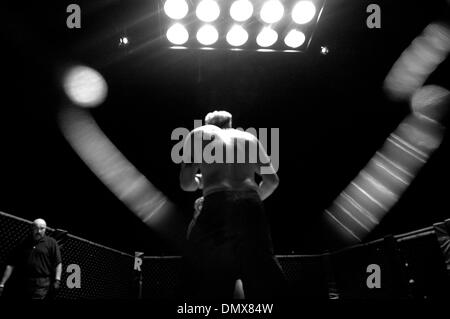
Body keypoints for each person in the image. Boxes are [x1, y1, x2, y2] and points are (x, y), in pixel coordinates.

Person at [180, 110, 285, 299]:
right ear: (230, 124)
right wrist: (247, 201)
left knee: (208, 274)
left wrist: (202, 181)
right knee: (264, 274)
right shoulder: (249, 138)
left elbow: (186, 184)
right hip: (251, 203)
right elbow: (272, 181)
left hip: (216, 201)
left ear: (207, 123)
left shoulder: (199, 134)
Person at [0, 218, 62, 299]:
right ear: (32, 228)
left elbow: (58, 263)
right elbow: (11, 264)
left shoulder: (51, 242)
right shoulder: (23, 242)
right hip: (23, 282)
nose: (39, 231)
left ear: (45, 229)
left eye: (42, 228)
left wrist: (57, 280)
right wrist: (2, 283)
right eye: (36, 228)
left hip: (41, 283)